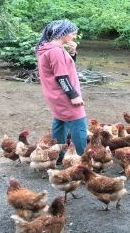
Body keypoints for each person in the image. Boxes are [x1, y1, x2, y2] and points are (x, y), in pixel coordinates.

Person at [35, 19, 88, 164]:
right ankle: (83, 160)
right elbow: (62, 77)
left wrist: (72, 52)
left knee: (60, 122)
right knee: (79, 124)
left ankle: (58, 156)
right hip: (64, 94)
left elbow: (66, 68)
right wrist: (74, 96)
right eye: (73, 33)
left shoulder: (47, 48)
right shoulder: (56, 51)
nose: (74, 36)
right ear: (62, 33)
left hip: (54, 94)